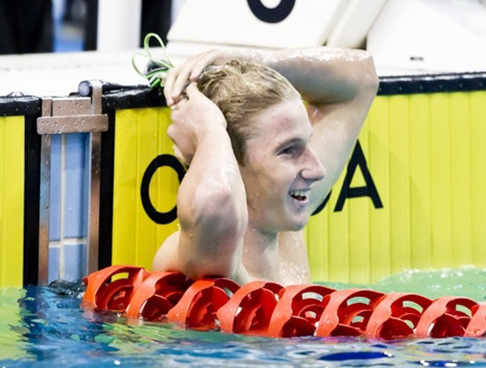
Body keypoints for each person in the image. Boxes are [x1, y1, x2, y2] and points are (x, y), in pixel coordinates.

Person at [152, 47, 378, 286]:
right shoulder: (208, 252)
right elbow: (217, 199)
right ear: (232, 162)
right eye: (288, 150)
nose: (317, 170)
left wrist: (252, 61)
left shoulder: (283, 223)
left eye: (307, 142)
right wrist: (208, 130)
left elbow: (362, 78)